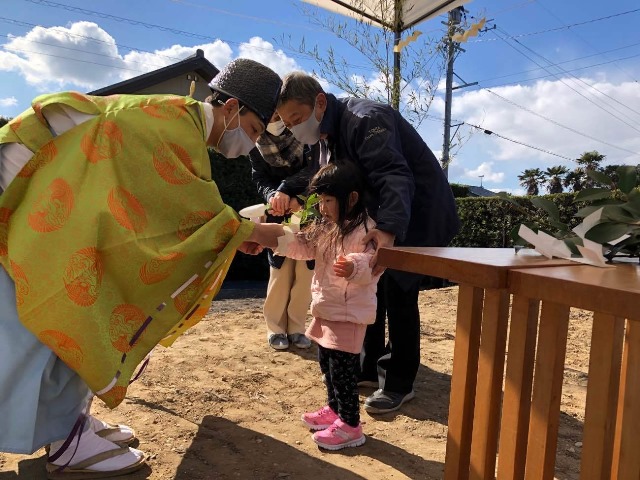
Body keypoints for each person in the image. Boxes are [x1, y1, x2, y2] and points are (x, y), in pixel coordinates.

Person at [0, 58, 284, 478]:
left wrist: (236, 234)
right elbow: (192, 212)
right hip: (31, 207)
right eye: (255, 130)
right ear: (231, 108)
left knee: (89, 313)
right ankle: (65, 442)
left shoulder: (176, 121)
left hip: (56, 213)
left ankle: (68, 425)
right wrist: (253, 234)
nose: (250, 144)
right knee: (55, 325)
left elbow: (176, 211)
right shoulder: (172, 125)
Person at [276, 72, 460, 414]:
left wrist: (388, 228)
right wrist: (289, 192)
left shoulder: (366, 119)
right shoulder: (324, 136)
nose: (294, 128)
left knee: (398, 291)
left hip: (416, 214)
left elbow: (393, 174)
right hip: (377, 217)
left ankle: (398, 381)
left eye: (297, 119)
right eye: (288, 124)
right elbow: (326, 182)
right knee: (367, 286)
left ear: (319, 102)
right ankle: (368, 364)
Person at [273, 163, 379, 450]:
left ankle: (351, 426)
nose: (322, 207)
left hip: (349, 312)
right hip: (326, 307)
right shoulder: (328, 227)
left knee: (344, 372)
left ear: (352, 198)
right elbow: (303, 247)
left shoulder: (367, 228)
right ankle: (334, 409)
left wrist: (355, 265)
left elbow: (374, 262)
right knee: (327, 365)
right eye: (319, 200)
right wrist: (275, 238)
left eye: (328, 200)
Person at [249, 114, 314, 350]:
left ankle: (297, 328)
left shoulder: (306, 135)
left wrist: (297, 197)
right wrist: (273, 197)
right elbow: (259, 177)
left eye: (280, 114)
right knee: (279, 270)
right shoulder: (256, 142)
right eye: (272, 115)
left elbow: (316, 169)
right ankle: (275, 328)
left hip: (309, 210)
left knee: (305, 272)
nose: (277, 119)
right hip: (277, 212)